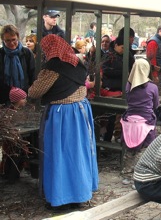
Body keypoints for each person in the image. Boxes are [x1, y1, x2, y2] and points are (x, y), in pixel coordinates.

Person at [28, 34, 98, 210]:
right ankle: (80, 193)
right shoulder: (76, 61)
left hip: (63, 115)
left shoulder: (53, 67)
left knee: (60, 154)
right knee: (78, 152)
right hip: (81, 111)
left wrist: (28, 90)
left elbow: (35, 92)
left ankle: (62, 196)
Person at [120, 59, 159, 182]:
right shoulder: (152, 87)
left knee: (129, 149)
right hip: (145, 122)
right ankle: (138, 178)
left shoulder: (128, 86)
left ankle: (126, 175)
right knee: (143, 150)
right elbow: (156, 105)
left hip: (129, 121)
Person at [0, 24, 35, 105]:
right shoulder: (1, 54)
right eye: (7, 40)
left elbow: (32, 75)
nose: (11, 43)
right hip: (3, 98)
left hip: (24, 96)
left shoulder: (26, 53)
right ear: (3, 40)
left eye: (14, 40)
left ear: (18, 38)